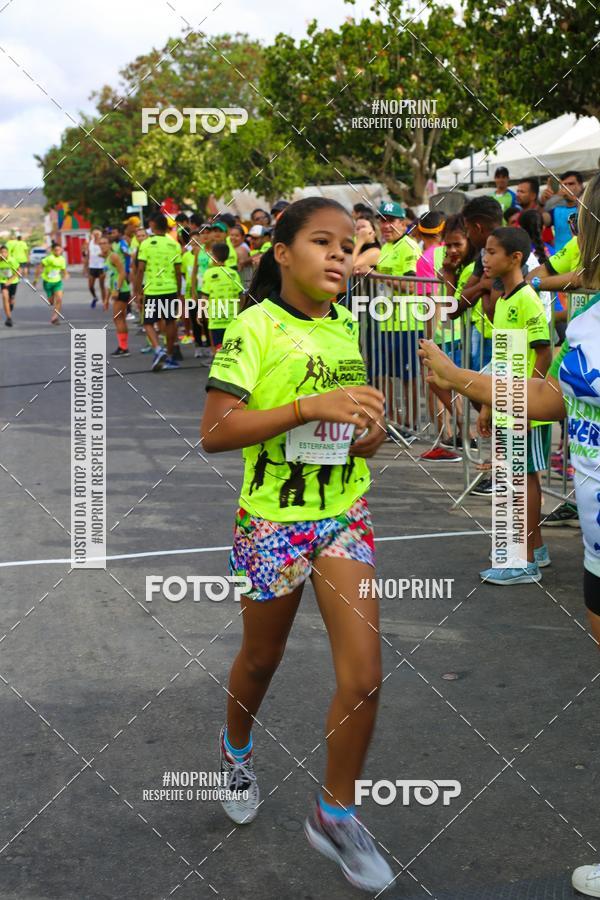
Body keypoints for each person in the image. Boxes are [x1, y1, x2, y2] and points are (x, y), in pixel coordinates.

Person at [201, 197, 393, 892]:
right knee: (261, 659)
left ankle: (335, 814)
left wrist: (366, 431)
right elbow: (217, 431)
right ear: (283, 252)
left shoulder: (347, 327)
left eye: (349, 245)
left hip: (344, 512)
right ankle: (237, 748)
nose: (341, 255)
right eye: (323, 242)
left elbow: (355, 428)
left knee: (365, 673)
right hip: (271, 526)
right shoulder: (252, 327)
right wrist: (309, 407)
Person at [419, 171, 600, 893]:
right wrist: (463, 381)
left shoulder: (539, 303)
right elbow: (553, 396)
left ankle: (521, 550)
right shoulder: (585, 321)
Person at [476, 226, 553, 584]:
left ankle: (522, 559)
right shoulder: (504, 301)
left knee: (520, 478)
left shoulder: (526, 299)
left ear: (515, 258)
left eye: (492, 252)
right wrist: (490, 404)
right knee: (519, 476)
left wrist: (525, 398)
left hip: (522, 407)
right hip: (508, 404)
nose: (484, 259)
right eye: (485, 252)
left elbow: (544, 352)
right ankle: (534, 548)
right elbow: (503, 360)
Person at [374, 200, 422, 432]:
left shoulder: (409, 246)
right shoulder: (385, 248)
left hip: (407, 323)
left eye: (391, 221)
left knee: (408, 376)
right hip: (386, 322)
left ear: (403, 223)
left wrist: (376, 275)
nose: (386, 225)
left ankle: (410, 423)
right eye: (382, 220)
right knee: (384, 374)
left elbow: (411, 286)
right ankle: (391, 421)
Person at [137, 212, 182, 371]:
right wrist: (177, 292)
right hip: (170, 289)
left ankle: (157, 349)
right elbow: (178, 271)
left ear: (153, 225)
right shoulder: (174, 245)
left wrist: (137, 291)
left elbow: (140, 269)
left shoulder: (146, 244)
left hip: (152, 290)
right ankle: (169, 357)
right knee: (170, 321)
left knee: (148, 322)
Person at [199, 242, 244, 352]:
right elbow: (241, 296)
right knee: (233, 350)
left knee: (217, 350)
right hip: (232, 320)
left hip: (215, 320)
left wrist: (200, 313)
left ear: (213, 256)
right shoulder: (234, 273)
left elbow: (205, 297)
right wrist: (242, 312)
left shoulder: (208, 273)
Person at [99, 235, 131, 357]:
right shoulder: (107, 258)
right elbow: (109, 279)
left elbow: (122, 272)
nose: (102, 245)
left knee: (118, 318)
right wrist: (106, 299)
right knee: (120, 318)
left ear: (110, 245)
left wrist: (117, 289)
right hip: (115, 291)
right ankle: (123, 346)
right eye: (100, 243)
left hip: (122, 290)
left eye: (104, 243)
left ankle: (123, 348)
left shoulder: (113, 256)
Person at [543, 170, 585, 252]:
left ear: (581, 186)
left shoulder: (588, 207)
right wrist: (542, 202)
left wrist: (577, 200)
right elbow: (540, 220)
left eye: (571, 184)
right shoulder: (556, 210)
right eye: (564, 185)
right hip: (561, 260)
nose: (566, 187)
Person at [33, 243, 68, 325]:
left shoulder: (62, 259)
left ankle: (55, 317)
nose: (58, 252)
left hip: (57, 282)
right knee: (51, 302)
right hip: (47, 282)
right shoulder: (49, 259)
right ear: (52, 251)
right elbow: (39, 268)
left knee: (59, 299)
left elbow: (63, 269)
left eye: (59, 250)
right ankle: (51, 304)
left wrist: (66, 274)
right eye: (56, 250)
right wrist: (36, 279)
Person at [83, 228, 106, 309]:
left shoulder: (103, 243)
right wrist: (85, 268)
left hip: (101, 266)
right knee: (90, 286)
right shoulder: (90, 243)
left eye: (98, 234)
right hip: (92, 267)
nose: (96, 236)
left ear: (100, 235)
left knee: (102, 286)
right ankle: (95, 297)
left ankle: (104, 302)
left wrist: (103, 255)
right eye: (95, 234)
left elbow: (107, 254)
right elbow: (87, 256)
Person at [0, 244, 21, 327]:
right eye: (1, 252)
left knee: (11, 300)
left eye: (5, 252)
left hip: (13, 281)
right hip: (2, 281)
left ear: (8, 253)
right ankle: (9, 318)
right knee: (5, 296)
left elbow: (18, 272)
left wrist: (10, 281)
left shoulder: (12, 260)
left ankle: (11, 304)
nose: (3, 254)